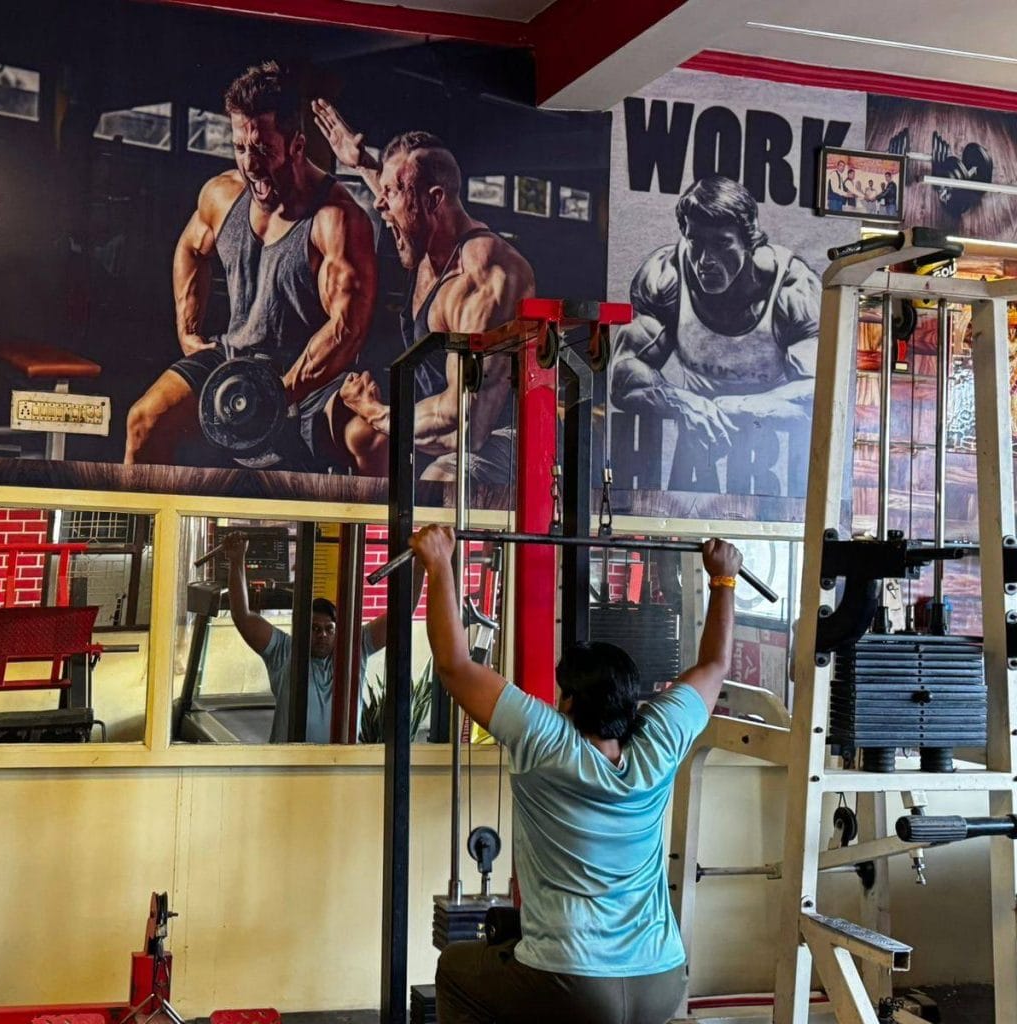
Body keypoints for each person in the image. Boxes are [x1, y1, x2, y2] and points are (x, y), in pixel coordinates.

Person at [409, 524, 741, 1024]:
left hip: (574, 983)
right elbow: (715, 663)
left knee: (458, 969)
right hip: (663, 979)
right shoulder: (659, 739)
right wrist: (723, 582)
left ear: (568, 700)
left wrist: (439, 564)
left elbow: (455, 666)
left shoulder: (546, 740)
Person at [125, 61, 378, 472]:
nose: (250, 165)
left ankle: (376, 536)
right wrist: (188, 333)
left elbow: (347, 330)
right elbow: (190, 248)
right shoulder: (222, 195)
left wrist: (279, 394)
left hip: (312, 380)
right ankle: (144, 538)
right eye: (240, 148)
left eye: (262, 149)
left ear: (297, 145)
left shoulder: (337, 220)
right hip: (233, 357)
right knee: (144, 421)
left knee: (366, 438)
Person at [312, 100, 535, 483]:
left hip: (500, 442)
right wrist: (364, 164)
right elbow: (404, 200)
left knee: (439, 480)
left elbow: (465, 420)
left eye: (391, 193)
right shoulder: (429, 238)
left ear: (434, 199)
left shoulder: (484, 277)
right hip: (450, 427)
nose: (379, 204)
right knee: (341, 426)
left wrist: (377, 412)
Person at [611, 174, 820, 495]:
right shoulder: (666, 275)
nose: (705, 261)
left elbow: (818, 395)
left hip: (767, 469)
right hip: (694, 460)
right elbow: (623, 377)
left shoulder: (793, 289)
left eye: (722, 244)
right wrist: (685, 404)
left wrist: (738, 406)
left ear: (749, 241)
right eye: (696, 242)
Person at [220, 530, 421, 743]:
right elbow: (242, 616)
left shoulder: (353, 649)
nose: (322, 635)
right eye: (315, 628)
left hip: (339, 767)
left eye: (329, 629)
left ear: (337, 631)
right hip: (287, 767)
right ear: (303, 630)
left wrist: (422, 565)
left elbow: (402, 613)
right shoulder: (284, 650)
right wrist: (237, 559)